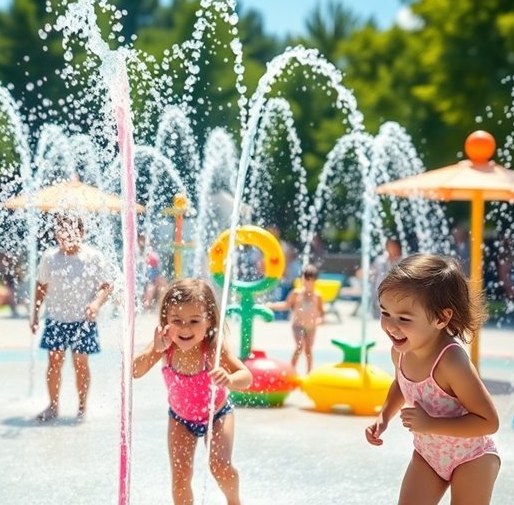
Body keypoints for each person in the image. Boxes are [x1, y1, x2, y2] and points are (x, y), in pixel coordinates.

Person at [365, 254, 500, 505]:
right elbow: (401, 384)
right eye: (385, 312)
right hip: (428, 456)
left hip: (472, 458)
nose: (391, 326)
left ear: (441, 318)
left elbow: (488, 422)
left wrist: (431, 425)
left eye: (404, 318)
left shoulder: (451, 362)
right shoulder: (401, 352)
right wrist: (384, 417)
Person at [132, 278, 252, 505]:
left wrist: (228, 379)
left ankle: (234, 502)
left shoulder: (213, 349)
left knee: (220, 467)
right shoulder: (165, 346)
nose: (185, 328)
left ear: (209, 322)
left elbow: (246, 377)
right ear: (166, 320)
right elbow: (135, 371)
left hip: (217, 415)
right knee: (180, 477)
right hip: (180, 419)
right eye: (177, 320)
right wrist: (154, 350)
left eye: (194, 320)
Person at [30, 213, 113, 422]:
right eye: (62, 230)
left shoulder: (92, 257)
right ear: (56, 234)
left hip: (82, 320)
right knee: (54, 363)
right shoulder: (50, 257)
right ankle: (53, 406)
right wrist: (35, 314)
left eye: (71, 230)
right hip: (56, 318)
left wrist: (96, 303)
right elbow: (41, 286)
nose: (66, 235)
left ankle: (83, 407)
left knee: (80, 364)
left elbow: (106, 285)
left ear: (82, 233)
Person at [265, 264, 325, 373]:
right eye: (304, 280)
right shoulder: (296, 293)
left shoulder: (317, 296)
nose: (306, 283)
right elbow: (286, 305)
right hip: (298, 326)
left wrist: (320, 320)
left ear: (314, 281)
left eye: (309, 281)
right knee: (299, 347)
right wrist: (271, 305)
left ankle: (309, 373)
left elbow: (321, 313)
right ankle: (291, 371)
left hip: (311, 328)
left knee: (308, 351)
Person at [369, 238, 404, 318]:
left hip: (396, 292)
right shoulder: (380, 260)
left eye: (393, 246)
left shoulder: (403, 260)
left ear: (398, 247)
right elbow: (373, 271)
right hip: (379, 290)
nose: (391, 249)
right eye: (389, 246)